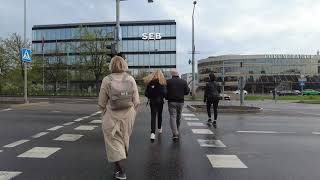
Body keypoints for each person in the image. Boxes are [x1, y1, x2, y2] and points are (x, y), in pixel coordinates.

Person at [98, 56, 140, 180]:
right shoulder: (130, 79)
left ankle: (121, 172)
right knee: (125, 138)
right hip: (128, 115)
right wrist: (132, 113)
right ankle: (123, 158)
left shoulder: (107, 79)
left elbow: (101, 102)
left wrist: (104, 112)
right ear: (124, 65)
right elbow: (136, 101)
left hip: (112, 116)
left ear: (111, 66)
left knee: (113, 142)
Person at [166, 69, 190, 140]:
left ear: (172, 74)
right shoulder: (183, 81)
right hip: (180, 102)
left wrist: (167, 97)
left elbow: (165, 91)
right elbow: (187, 92)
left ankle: (175, 133)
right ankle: (177, 128)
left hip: (171, 102)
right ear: (178, 74)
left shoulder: (168, 82)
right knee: (178, 116)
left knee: (172, 116)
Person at [144, 69, 167, 141]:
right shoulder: (162, 82)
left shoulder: (150, 82)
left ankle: (152, 133)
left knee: (153, 116)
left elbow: (146, 93)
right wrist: (162, 96)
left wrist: (150, 96)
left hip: (152, 102)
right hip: (160, 101)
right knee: (159, 115)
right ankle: (159, 129)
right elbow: (165, 92)